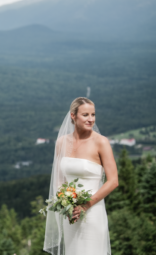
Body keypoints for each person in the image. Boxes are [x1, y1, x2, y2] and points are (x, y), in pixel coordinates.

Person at [43, 97, 119, 255]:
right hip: (70, 215)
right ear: (73, 116)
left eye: (93, 114)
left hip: (92, 212)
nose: (91, 119)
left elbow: (113, 181)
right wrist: (66, 204)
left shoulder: (101, 142)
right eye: (85, 115)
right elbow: (59, 179)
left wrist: (86, 205)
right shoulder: (61, 142)